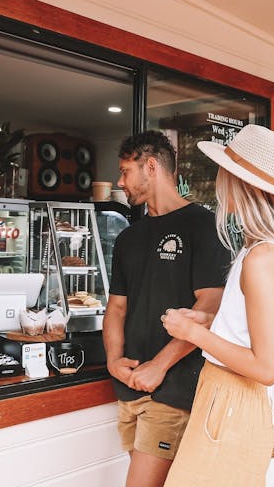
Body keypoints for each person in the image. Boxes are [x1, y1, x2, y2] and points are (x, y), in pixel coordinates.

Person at [160, 124, 274, 487]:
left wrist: (192, 332)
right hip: (232, 400)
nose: (219, 179)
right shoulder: (265, 251)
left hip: (232, 401)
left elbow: (265, 366)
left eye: (225, 171)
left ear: (241, 184)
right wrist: (211, 319)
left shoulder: (260, 258)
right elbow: (254, 329)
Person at [104, 130, 231, 487]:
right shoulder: (129, 236)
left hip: (173, 388)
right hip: (130, 387)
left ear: (150, 167)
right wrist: (114, 360)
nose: (120, 181)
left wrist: (159, 367)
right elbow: (115, 309)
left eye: (125, 171)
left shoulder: (202, 225)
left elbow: (211, 304)